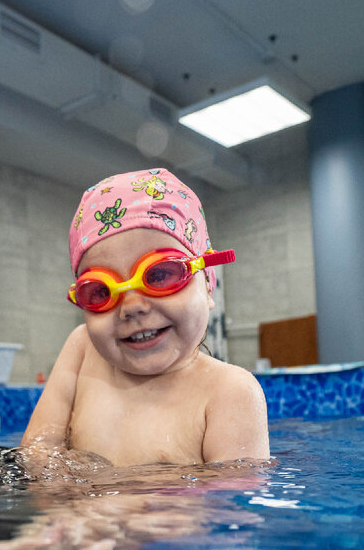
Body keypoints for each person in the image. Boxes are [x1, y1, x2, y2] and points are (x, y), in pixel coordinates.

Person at [23, 168, 270, 467]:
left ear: (206, 283)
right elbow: (36, 452)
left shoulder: (230, 392)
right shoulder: (82, 347)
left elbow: (230, 505)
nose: (132, 306)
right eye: (101, 290)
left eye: (160, 274)